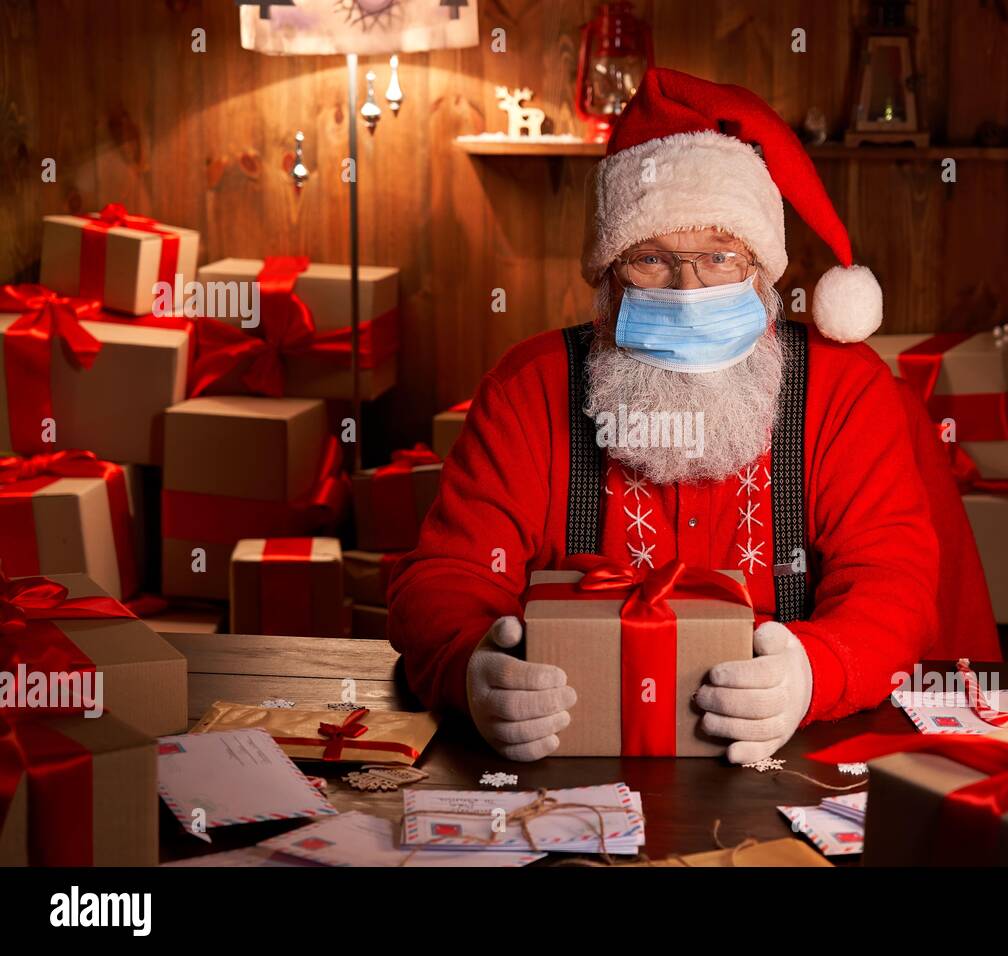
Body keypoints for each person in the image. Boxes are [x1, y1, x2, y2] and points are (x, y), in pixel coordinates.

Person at [388, 67, 939, 763]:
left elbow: (898, 582)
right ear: (608, 276)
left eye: (719, 256)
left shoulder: (846, 391)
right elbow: (444, 577)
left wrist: (813, 672)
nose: (687, 289)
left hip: (788, 755)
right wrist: (471, 670)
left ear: (765, 274)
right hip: (573, 757)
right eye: (651, 259)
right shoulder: (529, 389)